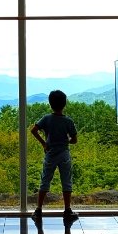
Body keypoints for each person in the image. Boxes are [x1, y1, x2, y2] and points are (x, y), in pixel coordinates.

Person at [30, 89, 78, 221]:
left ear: (50, 104)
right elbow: (74, 140)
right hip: (64, 154)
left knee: (45, 181)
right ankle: (67, 210)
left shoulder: (46, 119)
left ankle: (38, 210)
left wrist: (44, 143)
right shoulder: (68, 121)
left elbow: (34, 130)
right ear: (64, 104)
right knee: (66, 182)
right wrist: (66, 140)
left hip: (50, 154)